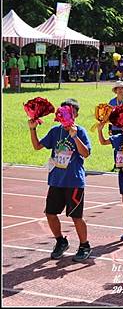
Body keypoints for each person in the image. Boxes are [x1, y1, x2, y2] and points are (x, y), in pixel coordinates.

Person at [28, 98, 93, 262]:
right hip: (56, 180)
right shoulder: (55, 131)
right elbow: (37, 146)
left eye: (69, 112)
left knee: (76, 216)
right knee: (50, 213)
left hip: (74, 182)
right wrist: (32, 129)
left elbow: (86, 153)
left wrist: (75, 136)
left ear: (76, 114)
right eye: (62, 111)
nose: (64, 114)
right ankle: (60, 241)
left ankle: (84, 245)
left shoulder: (81, 131)